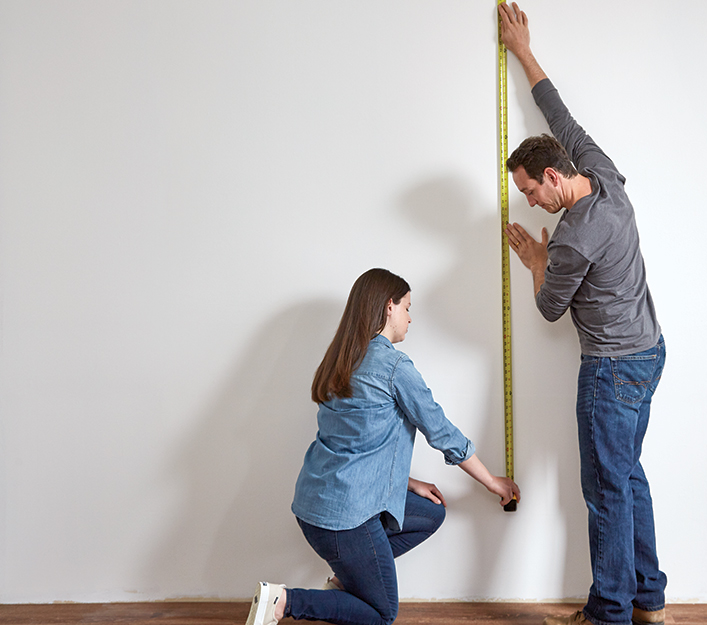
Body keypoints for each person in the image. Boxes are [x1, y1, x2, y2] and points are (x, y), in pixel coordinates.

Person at [498, 4, 667, 625]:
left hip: (612, 373)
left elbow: (547, 309)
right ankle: (649, 600)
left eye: (530, 192)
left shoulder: (568, 238)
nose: (532, 202)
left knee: (604, 493)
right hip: (650, 353)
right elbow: (560, 115)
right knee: (630, 479)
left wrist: (537, 260)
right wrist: (523, 51)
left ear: (550, 177)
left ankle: (609, 613)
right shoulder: (603, 174)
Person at [245, 268, 520, 625]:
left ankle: (350, 579)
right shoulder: (393, 367)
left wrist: (408, 482)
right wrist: (492, 482)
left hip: (313, 506)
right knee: (381, 612)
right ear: (389, 307)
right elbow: (442, 432)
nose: (410, 317)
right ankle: (283, 601)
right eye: (407, 307)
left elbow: (355, 446)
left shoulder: (339, 360)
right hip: (345, 519)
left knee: (430, 512)